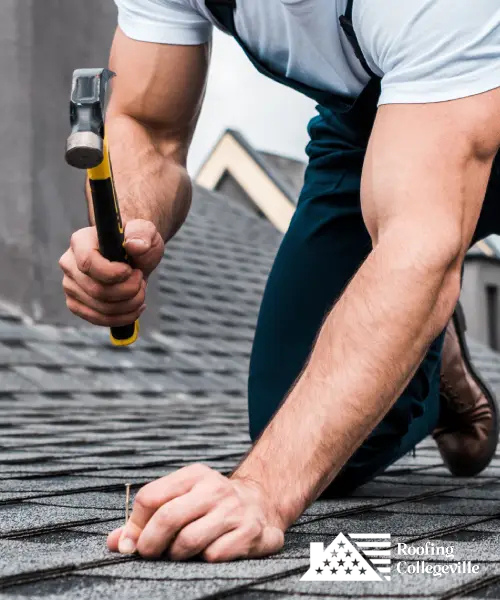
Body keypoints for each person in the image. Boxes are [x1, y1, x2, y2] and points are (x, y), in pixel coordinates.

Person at [59, 0, 500, 562]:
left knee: (419, 263)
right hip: (381, 120)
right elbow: (148, 125)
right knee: (305, 431)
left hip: (469, 85)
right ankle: (434, 356)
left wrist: (262, 490)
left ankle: (418, 315)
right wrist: (128, 228)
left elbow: (420, 248)